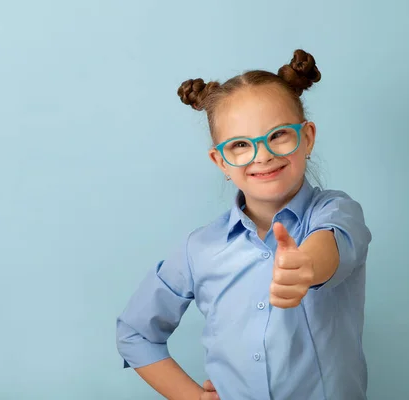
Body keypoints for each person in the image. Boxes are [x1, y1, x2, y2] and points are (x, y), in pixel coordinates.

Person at [115, 49, 372, 400]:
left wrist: (305, 267)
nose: (262, 155)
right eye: (239, 145)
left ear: (307, 137)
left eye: (278, 135)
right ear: (220, 160)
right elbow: (135, 332)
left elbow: (331, 244)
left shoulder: (335, 210)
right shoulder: (199, 249)